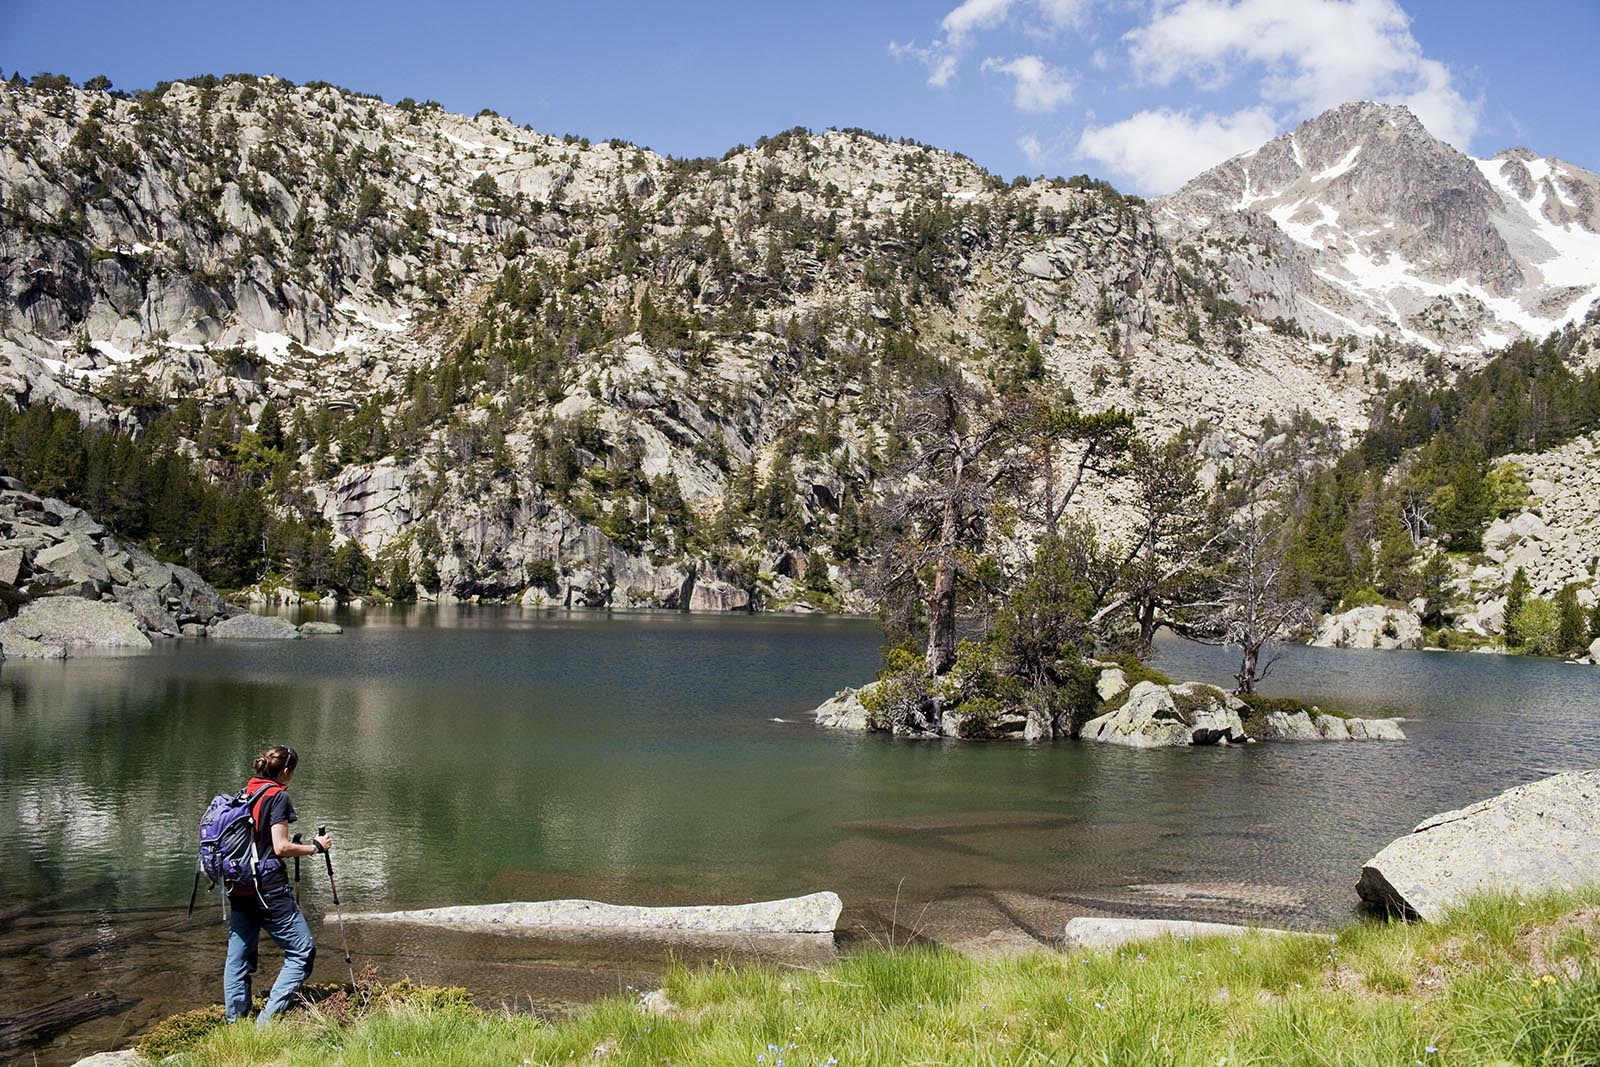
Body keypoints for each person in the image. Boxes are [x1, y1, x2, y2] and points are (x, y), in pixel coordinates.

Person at [222, 744, 333, 1024]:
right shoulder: (277, 797)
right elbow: (280, 847)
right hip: (268, 889)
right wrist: (315, 848)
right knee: (302, 951)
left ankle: (236, 1024)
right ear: (285, 771)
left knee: (238, 958)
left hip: (239, 885)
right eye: (293, 771)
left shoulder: (247, 791)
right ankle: (266, 1023)